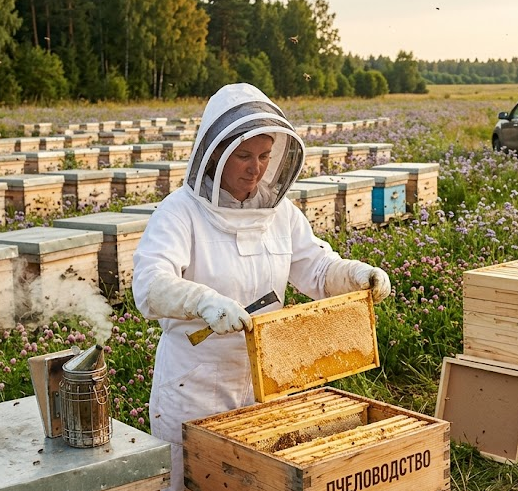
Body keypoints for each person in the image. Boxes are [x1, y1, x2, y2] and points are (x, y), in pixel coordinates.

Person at [132, 83, 391, 491]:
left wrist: (354, 275)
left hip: (264, 383)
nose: (257, 168)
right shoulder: (179, 213)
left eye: (266, 156)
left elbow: (317, 269)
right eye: (245, 156)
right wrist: (202, 300)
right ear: (215, 155)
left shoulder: (279, 213)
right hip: (195, 385)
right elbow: (149, 286)